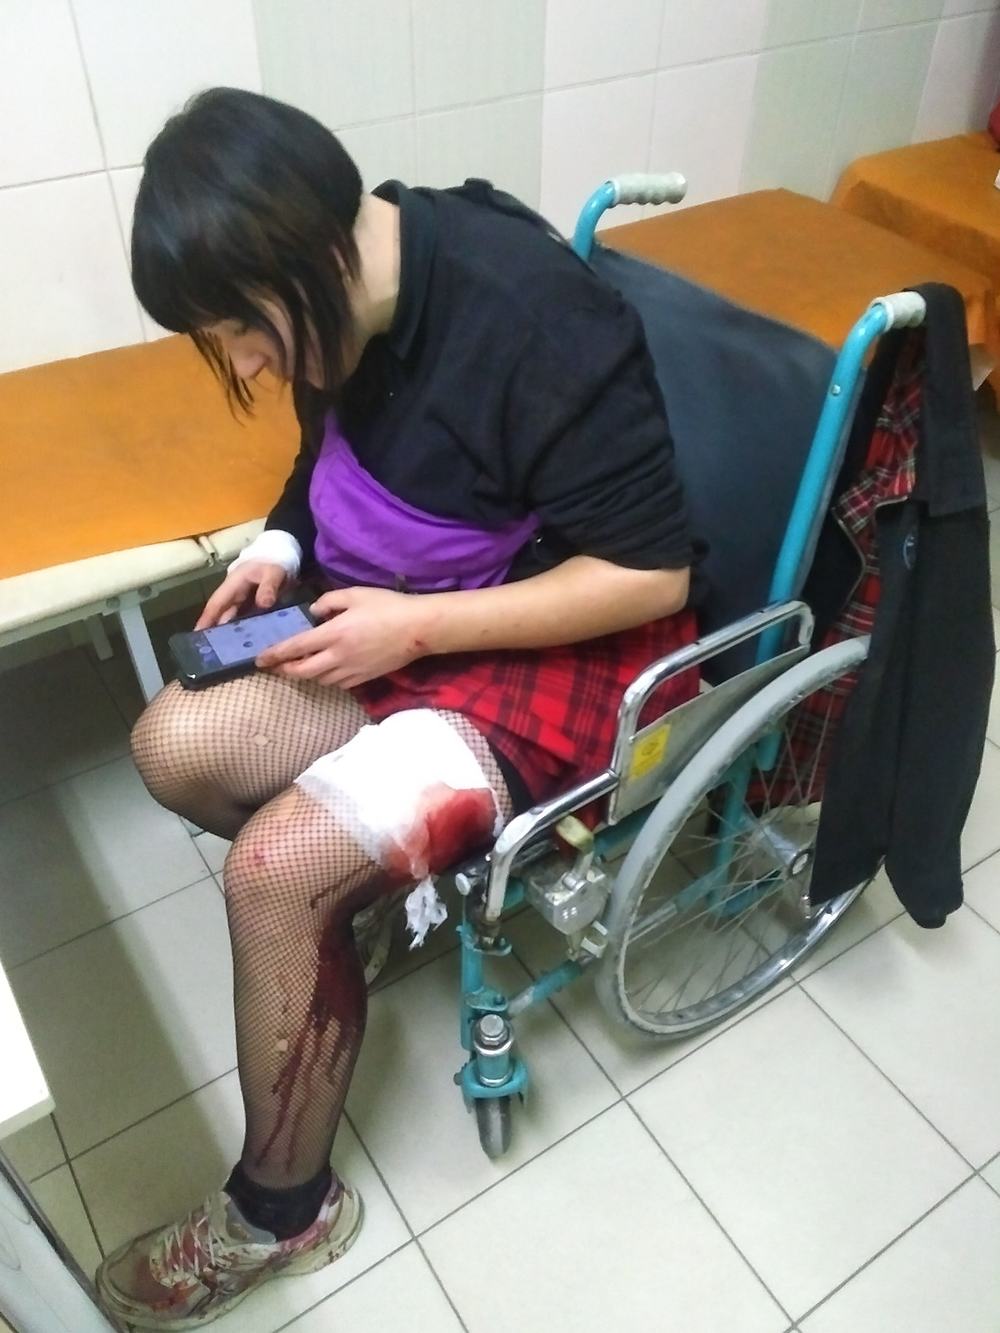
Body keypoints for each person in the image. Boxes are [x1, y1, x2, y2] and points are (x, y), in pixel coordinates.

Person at [96, 87, 700, 1328]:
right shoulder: (342, 288)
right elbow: (326, 452)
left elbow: (654, 575)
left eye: (243, 329)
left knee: (273, 872)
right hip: (405, 599)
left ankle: (284, 1210)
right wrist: (280, 541)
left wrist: (414, 629)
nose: (246, 364)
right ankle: (352, 900)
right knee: (173, 743)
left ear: (312, 253)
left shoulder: (533, 318)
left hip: (549, 639)